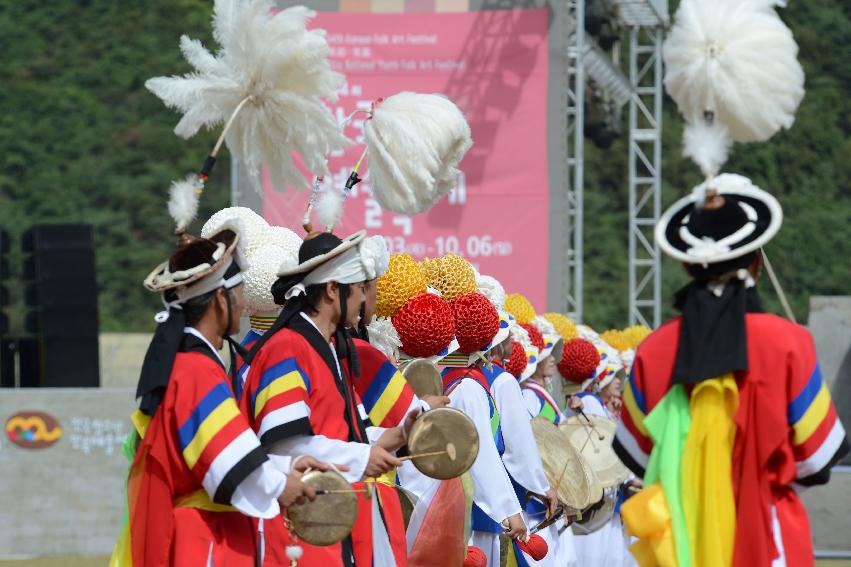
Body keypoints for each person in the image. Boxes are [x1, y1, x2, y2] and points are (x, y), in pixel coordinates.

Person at [616, 174, 850, 567]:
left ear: (688, 264)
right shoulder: (791, 343)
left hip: (678, 546)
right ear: (757, 260)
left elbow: (640, 457)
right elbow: (816, 459)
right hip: (771, 544)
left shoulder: (652, 351)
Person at [112, 216, 325, 567]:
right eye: (238, 293)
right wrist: (279, 484)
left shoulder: (187, 363)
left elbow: (223, 449)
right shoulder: (196, 369)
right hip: (204, 540)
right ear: (219, 302)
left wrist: (286, 464)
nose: (243, 304)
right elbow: (228, 460)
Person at [238, 229, 411, 567]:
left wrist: (401, 435)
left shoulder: (332, 348)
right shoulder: (287, 348)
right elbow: (284, 447)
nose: (364, 299)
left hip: (331, 514)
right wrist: (363, 458)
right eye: (360, 288)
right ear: (333, 289)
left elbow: (351, 434)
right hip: (301, 524)